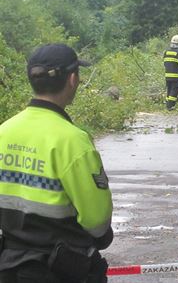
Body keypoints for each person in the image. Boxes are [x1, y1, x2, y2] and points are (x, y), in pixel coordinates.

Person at [0, 44, 113, 283]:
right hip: (61, 271)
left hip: (9, 266)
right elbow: (97, 221)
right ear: (73, 79)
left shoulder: (4, 132)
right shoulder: (73, 141)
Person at [163, 35, 178, 110]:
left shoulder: (166, 51)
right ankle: (170, 105)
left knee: (169, 90)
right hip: (176, 76)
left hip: (167, 75)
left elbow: (165, 63)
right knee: (174, 90)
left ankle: (168, 104)